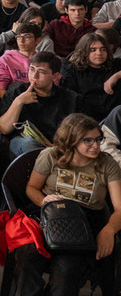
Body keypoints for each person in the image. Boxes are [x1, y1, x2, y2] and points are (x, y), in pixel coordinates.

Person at [8, 113, 121, 296]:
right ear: (72, 140)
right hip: (49, 214)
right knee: (28, 254)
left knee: (67, 270)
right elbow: (32, 188)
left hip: (84, 222)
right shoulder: (50, 155)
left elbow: (120, 208)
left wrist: (108, 230)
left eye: (98, 139)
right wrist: (43, 200)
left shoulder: (107, 163)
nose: (96, 145)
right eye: (88, 141)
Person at [0, 51, 77, 157]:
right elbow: (4, 129)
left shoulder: (70, 98)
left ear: (55, 76)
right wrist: (18, 102)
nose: (34, 76)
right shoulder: (16, 92)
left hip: (59, 143)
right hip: (24, 140)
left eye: (42, 72)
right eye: (32, 69)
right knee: (29, 144)